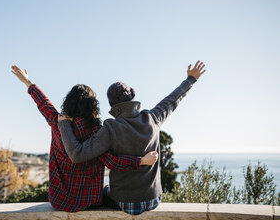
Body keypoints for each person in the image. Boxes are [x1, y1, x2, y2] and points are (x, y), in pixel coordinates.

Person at [57, 61, 206, 215]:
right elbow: (173, 100)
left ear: (111, 104)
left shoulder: (110, 128)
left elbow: (77, 154)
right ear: (133, 97)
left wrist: (64, 125)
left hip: (124, 202)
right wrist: (190, 79)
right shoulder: (153, 118)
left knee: (102, 193)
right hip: (153, 199)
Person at [11, 65, 157, 212]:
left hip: (59, 201)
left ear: (68, 102)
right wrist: (142, 161)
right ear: (93, 107)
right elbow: (112, 161)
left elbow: (43, 103)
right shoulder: (98, 132)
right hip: (89, 201)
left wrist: (28, 82)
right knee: (109, 191)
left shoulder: (58, 123)